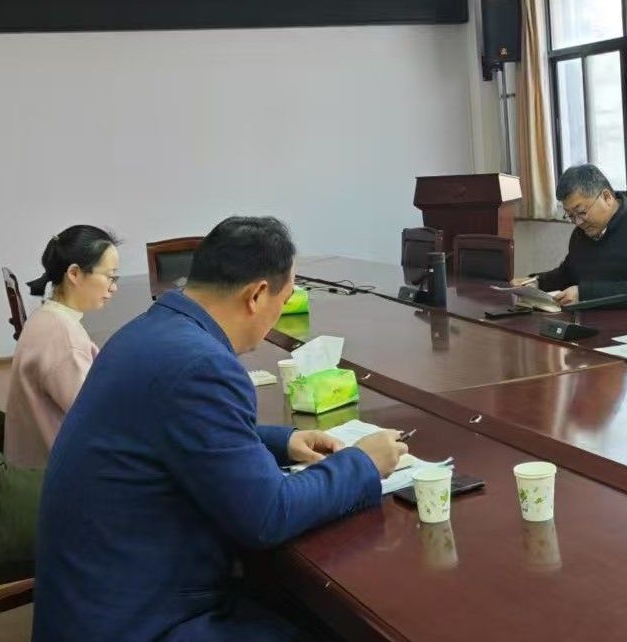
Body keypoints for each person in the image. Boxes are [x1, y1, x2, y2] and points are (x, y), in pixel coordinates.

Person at [32, 216, 407, 642]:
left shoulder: (150, 330)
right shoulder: (202, 365)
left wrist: (283, 441)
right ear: (257, 295)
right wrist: (363, 463)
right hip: (141, 622)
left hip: (96, 602)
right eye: (284, 300)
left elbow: (176, 434)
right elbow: (267, 515)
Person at [4, 225, 119, 468]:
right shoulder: (64, 339)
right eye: (110, 276)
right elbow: (101, 422)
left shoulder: (46, 317)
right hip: (54, 472)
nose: (113, 287)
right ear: (75, 273)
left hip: (32, 457)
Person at [513, 164, 627, 308]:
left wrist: (584, 294)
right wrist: (536, 282)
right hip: (596, 320)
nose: (578, 222)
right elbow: (570, 272)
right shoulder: (582, 234)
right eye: (571, 216)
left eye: (581, 212)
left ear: (607, 197)